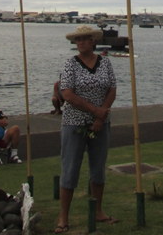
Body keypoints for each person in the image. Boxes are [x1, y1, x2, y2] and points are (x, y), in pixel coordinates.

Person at [55, 24, 117, 233]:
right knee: (70, 168)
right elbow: (67, 94)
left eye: (85, 39)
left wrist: (102, 114)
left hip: (101, 124)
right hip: (74, 123)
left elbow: (112, 89)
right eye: (78, 40)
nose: (81, 42)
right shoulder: (70, 64)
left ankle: (98, 210)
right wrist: (95, 110)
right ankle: (64, 216)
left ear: (93, 41)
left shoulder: (105, 63)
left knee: (98, 168)